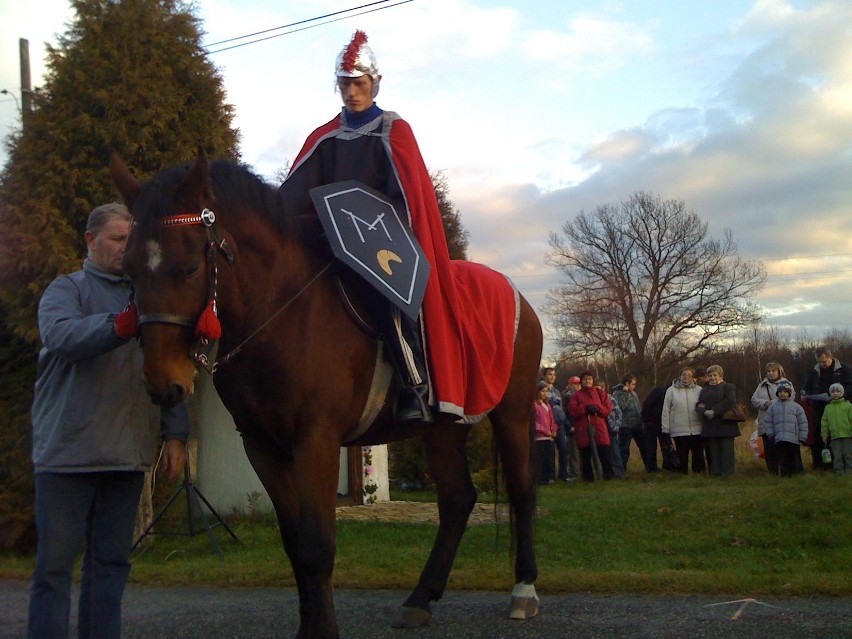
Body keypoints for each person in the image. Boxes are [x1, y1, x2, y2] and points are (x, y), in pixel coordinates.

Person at [278, 30, 472, 426]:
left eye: (359, 84)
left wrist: (371, 232)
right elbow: (294, 195)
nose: (352, 93)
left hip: (381, 242)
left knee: (390, 295)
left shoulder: (393, 131)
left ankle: (414, 386)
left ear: (375, 84)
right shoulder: (326, 137)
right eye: (345, 84)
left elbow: (405, 197)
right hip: (329, 244)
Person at [27, 204, 189, 639]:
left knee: (110, 565)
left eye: (130, 240)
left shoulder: (147, 297)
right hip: (66, 456)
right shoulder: (67, 289)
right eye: (117, 239)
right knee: (55, 568)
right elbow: (61, 336)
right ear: (90, 240)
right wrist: (119, 325)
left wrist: (175, 435)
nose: (125, 248)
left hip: (126, 456)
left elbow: (165, 368)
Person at [802, 346, 852, 470]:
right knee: (820, 435)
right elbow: (807, 385)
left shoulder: (845, 369)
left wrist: (839, 395)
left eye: (824, 361)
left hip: (841, 408)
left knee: (841, 437)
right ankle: (822, 465)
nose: (822, 364)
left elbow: (850, 386)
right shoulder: (814, 371)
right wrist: (805, 392)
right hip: (819, 409)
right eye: (819, 362)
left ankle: (845, 464)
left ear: (831, 357)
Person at [567, 370, 613, 482]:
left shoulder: (600, 393)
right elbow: (573, 411)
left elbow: (608, 409)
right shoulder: (576, 396)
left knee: (604, 451)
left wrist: (597, 408)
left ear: (593, 381)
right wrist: (585, 408)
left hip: (599, 427)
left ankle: (608, 474)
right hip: (584, 428)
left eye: (590, 379)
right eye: (585, 379)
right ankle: (588, 477)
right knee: (586, 454)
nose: (587, 381)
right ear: (581, 381)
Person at [751, 362, 795, 475]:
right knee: (769, 448)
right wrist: (765, 403)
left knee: (782, 448)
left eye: (773, 371)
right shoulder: (761, 385)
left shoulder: (786, 384)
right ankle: (772, 472)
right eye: (768, 371)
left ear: (779, 371)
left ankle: (785, 471)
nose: (771, 373)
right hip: (765, 421)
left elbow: (791, 397)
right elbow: (754, 399)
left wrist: (774, 403)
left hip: (782, 420)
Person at [695, 365, 739, 477]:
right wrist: (704, 411)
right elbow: (699, 404)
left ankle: (727, 473)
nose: (712, 377)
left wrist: (714, 411)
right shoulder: (704, 390)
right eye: (710, 375)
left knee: (726, 450)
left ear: (721, 376)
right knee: (713, 451)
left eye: (715, 375)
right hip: (710, 424)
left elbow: (730, 401)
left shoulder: (728, 387)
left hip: (725, 424)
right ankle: (715, 473)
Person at [662, 367, 705, 474]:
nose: (686, 377)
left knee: (698, 454)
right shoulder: (671, 390)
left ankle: (699, 475)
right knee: (682, 454)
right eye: (684, 374)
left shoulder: (699, 390)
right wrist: (665, 429)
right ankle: (682, 474)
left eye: (689, 375)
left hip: (697, 428)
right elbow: (666, 410)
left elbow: (703, 406)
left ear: (693, 378)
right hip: (679, 429)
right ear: (680, 376)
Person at [762, 380, 809, 477]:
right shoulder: (772, 407)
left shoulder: (796, 407)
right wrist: (770, 433)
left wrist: (802, 436)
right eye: (780, 392)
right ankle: (784, 474)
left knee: (794, 457)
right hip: (779, 438)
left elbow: (803, 422)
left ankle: (797, 473)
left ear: (789, 393)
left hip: (793, 438)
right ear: (777, 393)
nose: (782, 394)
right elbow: (768, 421)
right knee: (782, 457)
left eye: (785, 392)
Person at [542, 368, 572, 481]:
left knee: (564, 449)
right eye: (550, 374)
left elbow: (560, 409)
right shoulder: (541, 390)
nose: (552, 377)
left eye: (554, 374)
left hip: (559, 425)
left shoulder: (557, 391)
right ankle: (550, 476)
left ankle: (564, 474)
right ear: (544, 376)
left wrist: (565, 422)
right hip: (547, 425)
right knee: (550, 452)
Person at [612, 374, 644, 473]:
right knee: (624, 449)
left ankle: (650, 466)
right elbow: (621, 407)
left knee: (644, 446)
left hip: (637, 424)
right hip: (625, 426)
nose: (634, 386)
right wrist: (625, 394)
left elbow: (637, 407)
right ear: (627, 383)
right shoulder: (617, 394)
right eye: (632, 384)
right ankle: (622, 469)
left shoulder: (633, 393)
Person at [820, 383, 852, 475]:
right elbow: (824, 422)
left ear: (842, 393)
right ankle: (839, 471)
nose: (835, 393)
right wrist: (824, 435)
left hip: (847, 435)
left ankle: (849, 471)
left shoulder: (848, 406)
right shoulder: (828, 408)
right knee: (837, 455)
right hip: (834, 437)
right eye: (833, 392)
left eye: (838, 391)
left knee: (848, 454)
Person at [598, 381, 624, 478]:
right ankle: (606, 472)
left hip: (611, 429)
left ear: (603, 388)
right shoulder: (594, 401)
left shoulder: (611, 399)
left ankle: (619, 473)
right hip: (601, 431)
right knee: (604, 453)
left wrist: (616, 426)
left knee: (615, 452)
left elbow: (619, 413)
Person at [534, 381, 558, 484]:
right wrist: (545, 431)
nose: (544, 394)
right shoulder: (534, 405)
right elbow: (535, 423)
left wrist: (554, 429)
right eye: (542, 391)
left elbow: (552, 419)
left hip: (549, 436)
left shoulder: (547, 405)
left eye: (546, 391)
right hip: (540, 437)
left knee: (550, 457)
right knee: (541, 458)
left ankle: (550, 477)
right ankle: (541, 478)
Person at [641, 385, 668, 472]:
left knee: (665, 445)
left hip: (663, 422)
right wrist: (647, 419)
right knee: (651, 446)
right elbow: (647, 404)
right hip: (652, 421)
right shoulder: (659, 391)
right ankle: (651, 467)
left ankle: (668, 464)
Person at [561, 375, 582, 479]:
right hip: (571, 428)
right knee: (573, 452)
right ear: (570, 385)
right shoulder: (565, 397)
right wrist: (569, 426)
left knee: (582, 451)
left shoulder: (581, 396)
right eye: (575, 384)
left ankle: (583, 472)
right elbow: (563, 414)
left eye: (579, 384)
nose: (577, 386)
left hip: (582, 427)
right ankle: (575, 473)